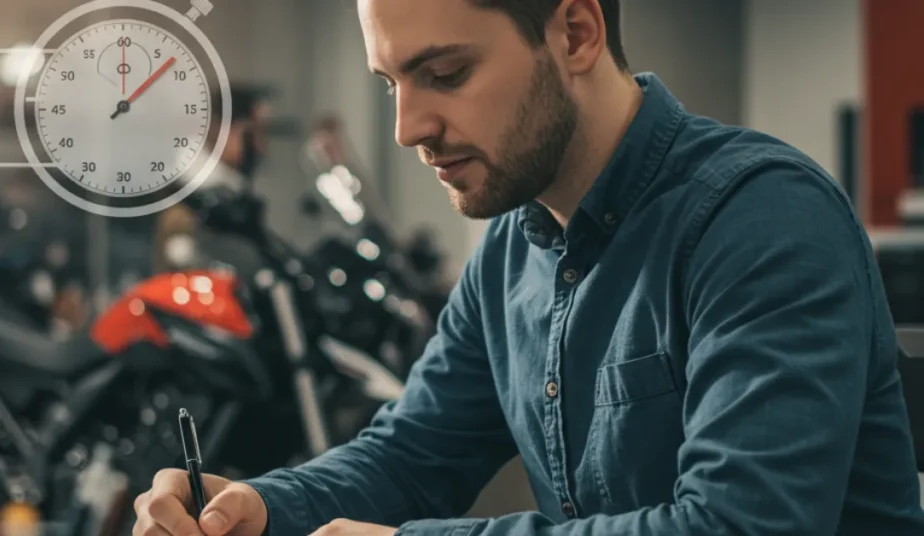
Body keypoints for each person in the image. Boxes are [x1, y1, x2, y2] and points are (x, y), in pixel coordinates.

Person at [134, 0, 924, 534]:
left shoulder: (760, 220)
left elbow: (739, 525)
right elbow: (412, 457)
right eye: (391, 84)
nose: (410, 127)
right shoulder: (513, 248)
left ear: (576, 32)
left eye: (444, 75)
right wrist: (256, 507)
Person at [152, 84, 272, 273]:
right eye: (251, 133)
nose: (260, 147)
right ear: (221, 128)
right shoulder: (195, 197)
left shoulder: (228, 190)